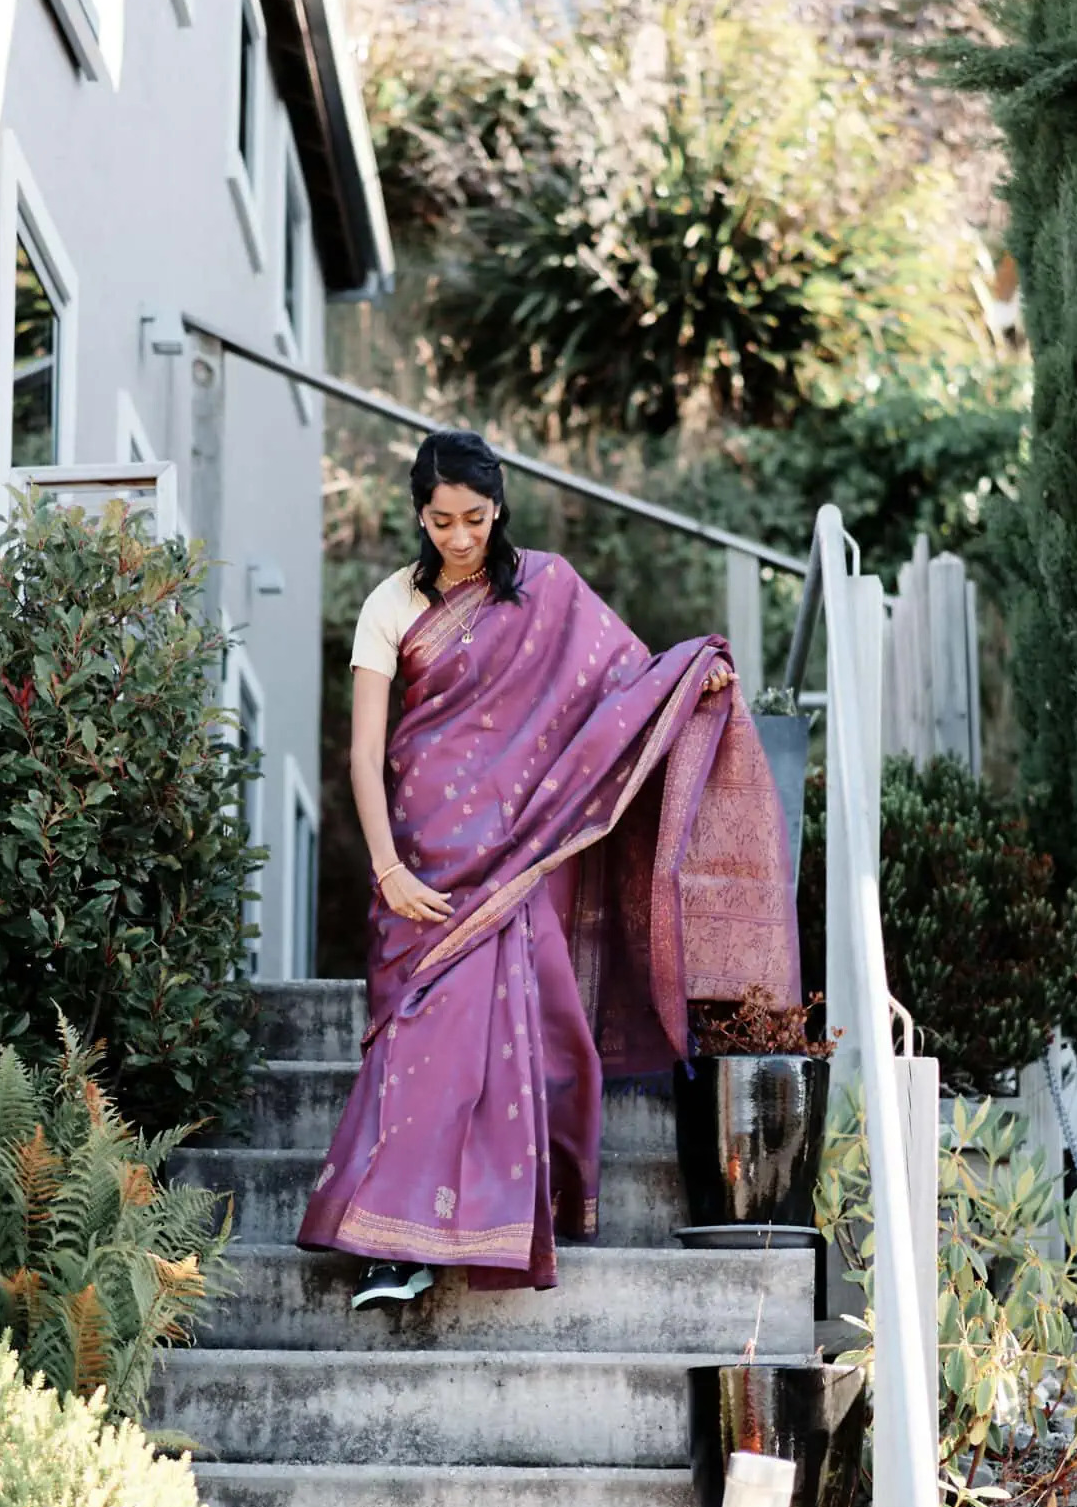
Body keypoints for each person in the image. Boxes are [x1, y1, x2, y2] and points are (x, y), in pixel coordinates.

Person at [298, 426, 799, 1308]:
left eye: (476, 519)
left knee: (492, 1027)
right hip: (424, 852)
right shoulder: (389, 606)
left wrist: (691, 687)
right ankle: (393, 1240)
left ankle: (437, 1239)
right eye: (443, 520)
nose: (460, 537)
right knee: (415, 1033)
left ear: (499, 511)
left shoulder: (549, 591)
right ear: (419, 513)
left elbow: (622, 685)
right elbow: (363, 753)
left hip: (523, 848)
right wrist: (384, 868)